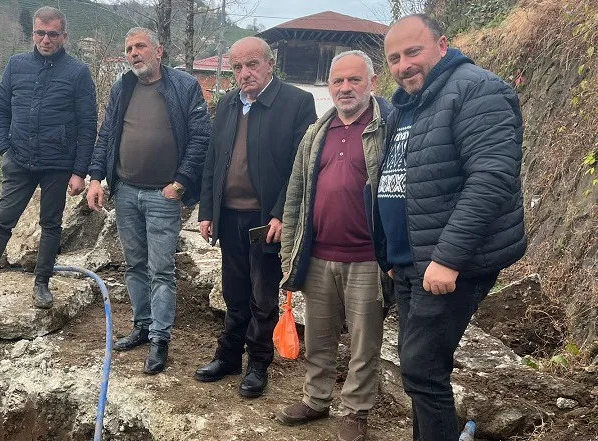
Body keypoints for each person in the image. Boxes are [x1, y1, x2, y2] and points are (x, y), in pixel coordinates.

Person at [376, 14, 525, 441]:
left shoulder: (477, 89)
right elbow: (399, 178)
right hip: (411, 263)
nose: (403, 65)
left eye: (413, 52)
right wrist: (390, 253)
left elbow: (491, 179)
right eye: (394, 58)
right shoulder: (407, 104)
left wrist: (447, 259)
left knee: (422, 370)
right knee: (419, 370)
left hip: (447, 263)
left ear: (442, 46)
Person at [276, 50, 392, 441]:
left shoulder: (387, 128)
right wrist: (290, 253)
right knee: (319, 338)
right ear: (329, 86)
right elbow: (295, 195)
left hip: (367, 259)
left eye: (354, 79)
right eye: (338, 81)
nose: (345, 88)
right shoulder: (316, 133)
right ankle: (316, 399)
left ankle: (356, 412)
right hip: (318, 255)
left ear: (372, 82)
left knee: (364, 343)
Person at [0, 7, 97, 310]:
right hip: (18, 158)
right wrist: (4, 148)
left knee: (51, 224)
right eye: (40, 33)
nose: (46, 39)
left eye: (52, 34)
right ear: (33, 33)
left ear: (64, 36)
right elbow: (1, 110)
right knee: (2, 221)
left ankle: (42, 283)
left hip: (58, 162)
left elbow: (87, 125)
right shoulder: (16, 65)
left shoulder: (78, 72)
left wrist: (79, 171)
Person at [195, 36, 316, 398]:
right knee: (233, 291)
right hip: (229, 215)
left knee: (263, 297)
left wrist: (281, 213)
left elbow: (301, 167)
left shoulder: (296, 102)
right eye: (237, 67)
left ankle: (259, 363)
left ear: (269, 64)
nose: (244, 73)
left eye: (252, 65)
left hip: (266, 221)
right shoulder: (229, 103)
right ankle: (229, 356)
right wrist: (207, 211)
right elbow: (213, 160)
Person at [87, 27, 210, 374]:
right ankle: (142, 326)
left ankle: (159, 338)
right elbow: (107, 135)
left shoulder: (184, 86)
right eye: (129, 49)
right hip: (125, 191)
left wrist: (181, 183)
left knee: (161, 269)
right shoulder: (123, 87)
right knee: (135, 265)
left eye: (140, 46)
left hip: (163, 195)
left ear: (159, 50)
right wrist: (96, 178)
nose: (133, 53)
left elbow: (201, 137)